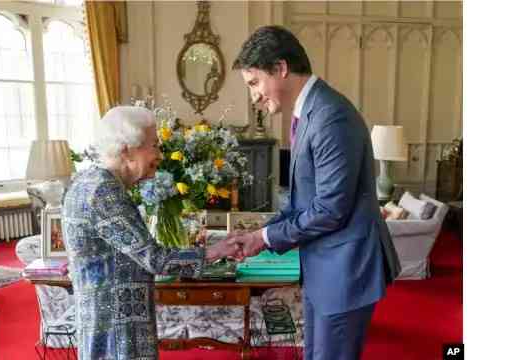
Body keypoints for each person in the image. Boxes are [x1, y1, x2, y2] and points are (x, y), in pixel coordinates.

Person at [229, 26, 401, 360]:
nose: (254, 97)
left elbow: (329, 210)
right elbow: (302, 202)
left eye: (254, 83)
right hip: (325, 267)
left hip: (344, 271)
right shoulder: (309, 112)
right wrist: (257, 233)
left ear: (280, 68)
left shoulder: (330, 116)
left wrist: (264, 238)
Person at [61, 106, 240, 360]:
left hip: (102, 317)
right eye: (154, 145)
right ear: (126, 150)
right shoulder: (103, 191)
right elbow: (154, 258)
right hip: (118, 326)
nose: (159, 154)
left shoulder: (86, 181)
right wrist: (214, 251)